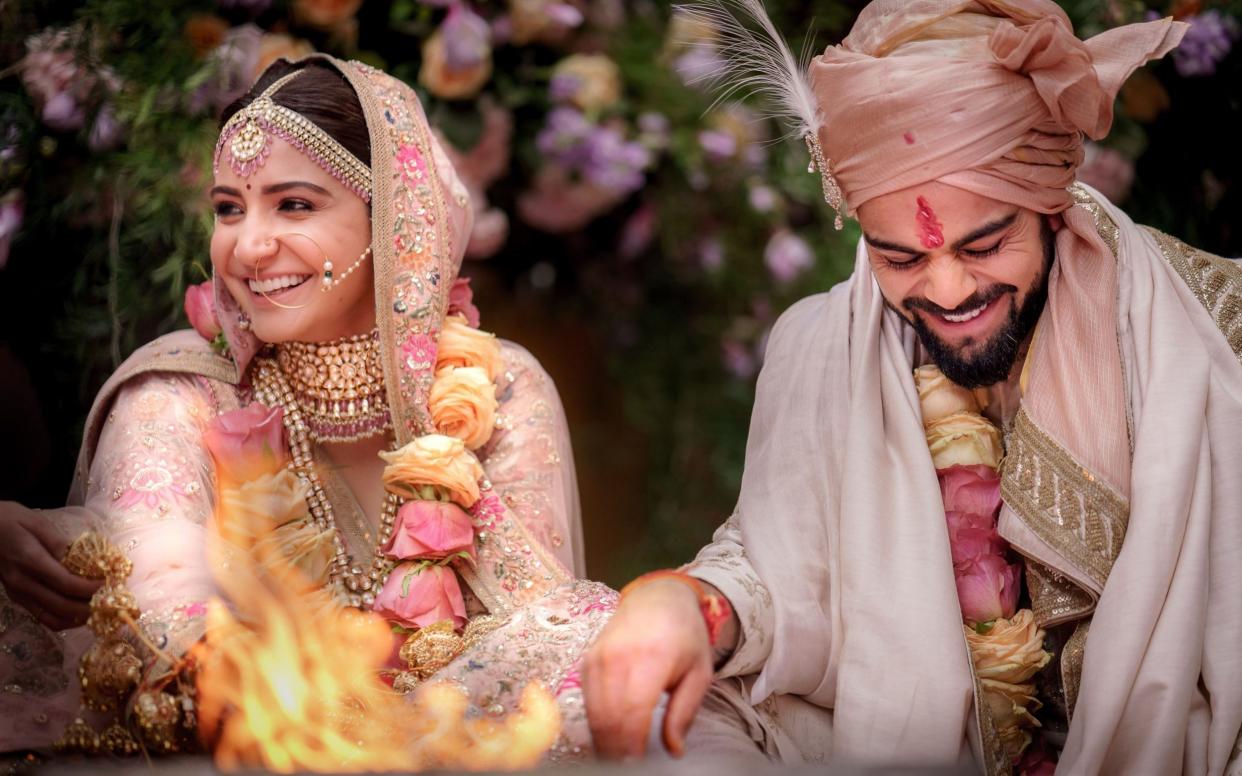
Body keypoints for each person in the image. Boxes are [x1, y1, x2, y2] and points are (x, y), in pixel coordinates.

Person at [583, 2, 1242, 774]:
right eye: (901, 260)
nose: (950, 288)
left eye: (987, 243)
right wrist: (688, 608)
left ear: (1050, 204)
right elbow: (778, 563)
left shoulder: (1208, 335)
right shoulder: (827, 341)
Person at [0, 54, 614, 760]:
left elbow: (535, 629)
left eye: (294, 204)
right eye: (229, 208)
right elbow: (165, 613)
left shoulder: (500, 391)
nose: (250, 246)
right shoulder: (177, 394)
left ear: (395, 221)